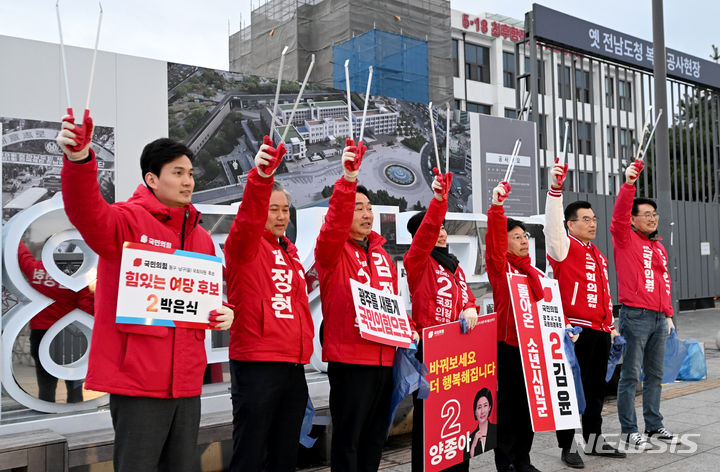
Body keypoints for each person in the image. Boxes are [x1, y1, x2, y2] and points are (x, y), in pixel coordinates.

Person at [57, 116, 233, 472]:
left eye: (190, 173)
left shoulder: (199, 235)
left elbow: (203, 294)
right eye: (177, 172)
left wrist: (224, 311)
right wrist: (79, 161)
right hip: (137, 382)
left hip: (186, 383)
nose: (188, 181)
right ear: (152, 179)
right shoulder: (127, 221)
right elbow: (87, 211)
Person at [315, 139, 409, 471]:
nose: (367, 213)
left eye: (369, 207)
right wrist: (348, 181)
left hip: (385, 360)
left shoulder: (381, 254)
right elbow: (332, 225)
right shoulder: (331, 251)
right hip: (351, 361)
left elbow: (393, 304)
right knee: (348, 441)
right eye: (358, 207)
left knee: (374, 439)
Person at [224, 137, 314, 472]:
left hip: (292, 364)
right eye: (271, 209)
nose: (279, 216)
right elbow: (247, 220)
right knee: (250, 452)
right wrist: (260, 179)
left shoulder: (287, 252)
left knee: (285, 451)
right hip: (257, 363)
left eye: (284, 210)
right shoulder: (243, 246)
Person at [543, 160, 626, 467]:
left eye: (594, 218)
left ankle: (594, 441)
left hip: (601, 331)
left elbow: (604, 295)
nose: (593, 223)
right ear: (571, 224)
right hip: (574, 332)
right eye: (586, 219)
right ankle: (567, 447)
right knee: (568, 391)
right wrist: (555, 190)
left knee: (595, 392)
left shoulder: (597, 254)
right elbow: (551, 224)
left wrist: (612, 326)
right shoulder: (563, 248)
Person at [404, 169, 479, 472]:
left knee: (458, 416)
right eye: (435, 229)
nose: (442, 232)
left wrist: (470, 308)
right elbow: (425, 235)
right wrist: (438, 202)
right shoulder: (417, 261)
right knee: (430, 421)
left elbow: (467, 297)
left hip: (458, 352)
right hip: (430, 353)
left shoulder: (455, 268)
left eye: (444, 227)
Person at [485, 180, 555, 472]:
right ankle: (506, 461)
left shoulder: (533, 272)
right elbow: (494, 244)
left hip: (533, 348)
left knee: (531, 407)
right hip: (508, 346)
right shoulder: (501, 268)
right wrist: (497, 207)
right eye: (515, 237)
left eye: (524, 236)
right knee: (509, 407)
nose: (524, 240)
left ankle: (524, 459)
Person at [611, 159, 676, 450]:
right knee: (630, 376)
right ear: (633, 219)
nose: (652, 218)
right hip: (635, 316)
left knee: (655, 376)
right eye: (646, 215)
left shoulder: (658, 246)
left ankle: (654, 425)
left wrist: (669, 315)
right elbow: (617, 218)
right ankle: (629, 429)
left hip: (659, 318)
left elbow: (664, 284)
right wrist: (629, 184)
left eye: (655, 214)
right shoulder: (625, 239)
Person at [465, 388, 497, 459]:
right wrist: (473, 445)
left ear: (490, 407)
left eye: (485, 405)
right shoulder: (470, 438)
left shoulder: (496, 429)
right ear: (475, 411)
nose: (482, 411)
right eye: (479, 407)